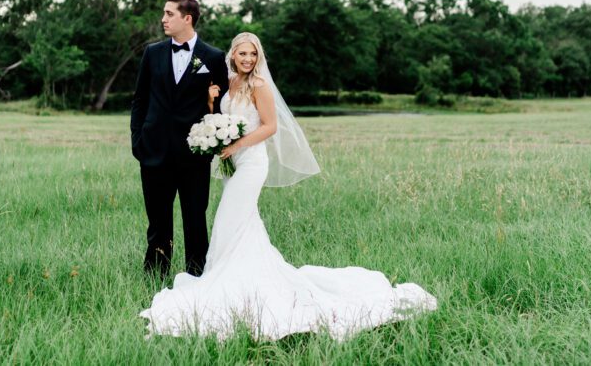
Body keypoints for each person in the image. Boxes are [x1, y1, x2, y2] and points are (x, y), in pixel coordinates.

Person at [140, 32, 437, 341]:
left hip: (252, 163)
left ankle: (234, 282)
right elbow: (219, 117)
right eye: (242, 54)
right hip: (233, 163)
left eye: (253, 54)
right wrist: (212, 102)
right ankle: (235, 276)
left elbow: (270, 126)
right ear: (233, 55)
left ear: (258, 57)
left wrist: (237, 144)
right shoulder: (229, 82)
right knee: (240, 223)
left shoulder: (259, 85)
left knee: (230, 218)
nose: (247, 59)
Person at [130, 0, 230, 277]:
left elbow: (221, 106)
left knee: (195, 220)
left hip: (194, 154)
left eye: (169, 14)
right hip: (154, 150)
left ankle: (197, 277)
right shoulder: (152, 53)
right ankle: (155, 277)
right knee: (158, 221)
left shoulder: (213, 57)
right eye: (164, 13)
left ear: (187, 18)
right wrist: (138, 141)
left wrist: (212, 141)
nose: (163, 19)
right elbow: (140, 100)